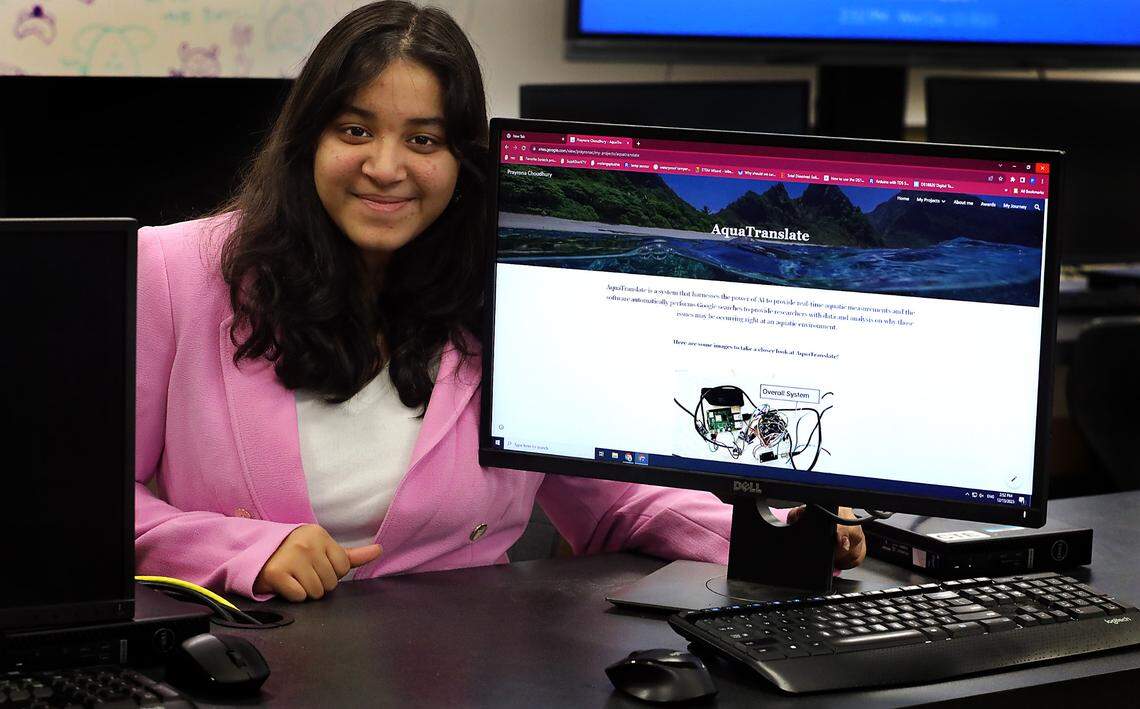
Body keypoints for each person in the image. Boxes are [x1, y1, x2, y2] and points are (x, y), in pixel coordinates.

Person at [134, 0, 866, 603]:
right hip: (248, 653)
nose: (385, 168)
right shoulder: (175, 271)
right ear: (307, 139)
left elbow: (613, 502)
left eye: (423, 140)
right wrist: (242, 549)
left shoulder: (507, 300)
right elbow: (80, 499)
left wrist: (779, 532)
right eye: (355, 130)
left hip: (465, 664)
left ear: (460, 162)